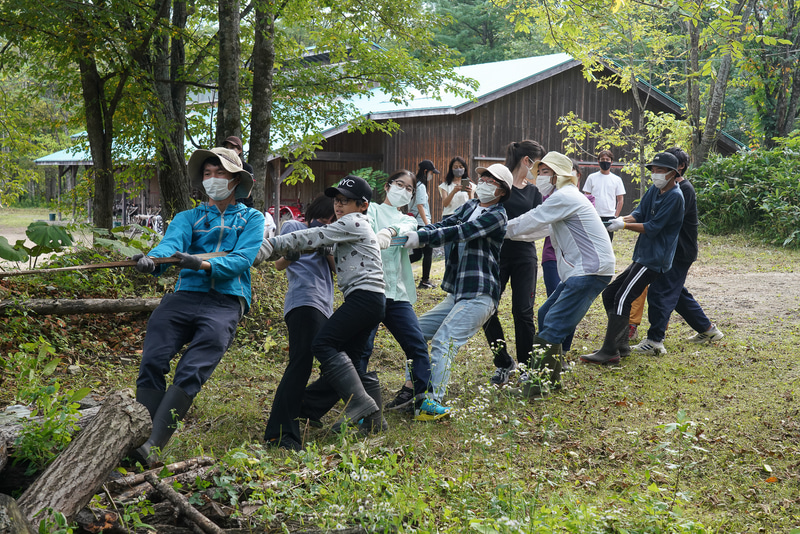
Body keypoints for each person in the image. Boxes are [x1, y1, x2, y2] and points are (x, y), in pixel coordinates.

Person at [131, 147, 265, 465]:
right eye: (207, 174)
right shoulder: (187, 217)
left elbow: (242, 259)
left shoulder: (252, 218)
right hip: (184, 296)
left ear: (235, 180)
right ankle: (134, 437)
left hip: (227, 301)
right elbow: (171, 245)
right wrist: (154, 260)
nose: (212, 179)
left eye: (220, 173)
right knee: (152, 359)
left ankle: (153, 445)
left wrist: (201, 263)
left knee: (192, 370)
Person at [256, 175, 386, 432]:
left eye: (346, 201)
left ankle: (359, 401)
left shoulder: (353, 223)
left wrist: (270, 244)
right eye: (337, 200)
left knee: (323, 343)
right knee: (353, 357)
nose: (339, 206)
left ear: (362, 206)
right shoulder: (354, 227)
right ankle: (374, 423)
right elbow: (325, 250)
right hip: (372, 299)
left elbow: (315, 235)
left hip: (364, 297)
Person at [396, 163, 511, 417]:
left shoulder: (498, 215)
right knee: (415, 331)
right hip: (458, 293)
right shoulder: (471, 206)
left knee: (444, 341)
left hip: (481, 293)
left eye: (491, 181)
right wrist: (417, 231)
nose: (483, 182)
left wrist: (424, 239)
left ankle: (430, 403)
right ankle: (412, 389)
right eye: (483, 178)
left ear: (502, 191)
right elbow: (445, 223)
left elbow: (461, 232)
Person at [505, 151, 615, 395]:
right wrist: (506, 232)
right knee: (545, 313)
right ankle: (551, 380)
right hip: (583, 270)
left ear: (559, 175)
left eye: (546, 172)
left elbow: (531, 219)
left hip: (590, 270)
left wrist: (497, 228)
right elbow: (538, 228)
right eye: (540, 172)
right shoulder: (563, 198)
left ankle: (536, 387)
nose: (541, 177)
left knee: (553, 324)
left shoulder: (565, 196)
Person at [580, 152, 685, 366]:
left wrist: (624, 225)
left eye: (660, 170)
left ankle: (610, 351)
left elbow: (654, 227)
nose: (655, 174)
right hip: (643, 255)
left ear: (673, 173)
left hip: (655, 259)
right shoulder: (654, 190)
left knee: (621, 299)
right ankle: (621, 345)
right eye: (653, 170)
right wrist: (617, 220)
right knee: (610, 293)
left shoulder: (675, 196)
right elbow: (639, 214)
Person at [631, 147, 724, 356]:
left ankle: (655, 340)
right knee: (676, 293)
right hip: (669, 249)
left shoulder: (683, 190)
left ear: (679, 167)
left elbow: (663, 222)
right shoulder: (662, 189)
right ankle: (708, 330)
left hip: (680, 251)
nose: (658, 172)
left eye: (665, 167)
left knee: (661, 291)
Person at [262, 195, 336, 451]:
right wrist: (300, 248)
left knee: (341, 364)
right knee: (301, 364)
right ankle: (280, 433)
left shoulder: (334, 233)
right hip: (304, 299)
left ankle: (305, 406)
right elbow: (281, 264)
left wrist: (327, 245)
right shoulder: (295, 227)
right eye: (326, 216)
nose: (327, 221)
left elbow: (337, 269)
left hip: (326, 306)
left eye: (333, 218)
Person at [482, 140, 545, 387]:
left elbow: (541, 224)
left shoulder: (534, 192)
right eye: (538, 164)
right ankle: (503, 362)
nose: (540, 170)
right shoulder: (499, 185)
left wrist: (514, 232)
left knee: (523, 312)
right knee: (486, 309)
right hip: (495, 256)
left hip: (525, 257)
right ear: (527, 161)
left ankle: (527, 366)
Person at [539, 159, 595, 354]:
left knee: (567, 308)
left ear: (577, 176)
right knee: (551, 306)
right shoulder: (549, 198)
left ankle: (562, 350)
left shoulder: (587, 200)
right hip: (551, 257)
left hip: (577, 261)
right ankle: (550, 355)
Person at [582, 149, 625, 242]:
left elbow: (620, 200)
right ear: (598, 161)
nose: (605, 161)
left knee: (607, 242)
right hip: (594, 215)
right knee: (593, 242)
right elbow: (586, 197)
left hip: (610, 217)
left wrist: (615, 216)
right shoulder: (591, 177)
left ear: (611, 162)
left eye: (607, 159)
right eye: (602, 159)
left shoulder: (617, 179)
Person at [438, 157, 474, 262]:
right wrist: (453, 191)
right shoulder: (445, 186)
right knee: (449, 250)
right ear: (451, 169)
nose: (458, 169)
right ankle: (449, 276)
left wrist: (470, 193)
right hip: (449, 217)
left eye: (461, 167)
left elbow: (472, 204)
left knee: (463, 249)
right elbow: (445, 203)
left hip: (465, 218)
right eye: (455, 167)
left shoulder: (471, 185)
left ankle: (461, 276)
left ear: (465, 168)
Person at [408, 160, 437, 289]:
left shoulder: (416, 184)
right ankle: (425, 281)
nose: (432, 175)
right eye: (431, 172)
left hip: (417, 222)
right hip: (421, 223)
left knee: (418, 254)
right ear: (426, 172)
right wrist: (428, 225)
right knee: (428, 253)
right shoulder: (420, 186)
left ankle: (397, 267)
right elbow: (420, 206)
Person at [223, 135, 255, 207]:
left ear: (240, 150)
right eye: (226, 148)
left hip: (245, 207)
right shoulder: (221, 166)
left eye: (232, 148)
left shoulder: (247, 167)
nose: (229, 150)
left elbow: (247, 193)